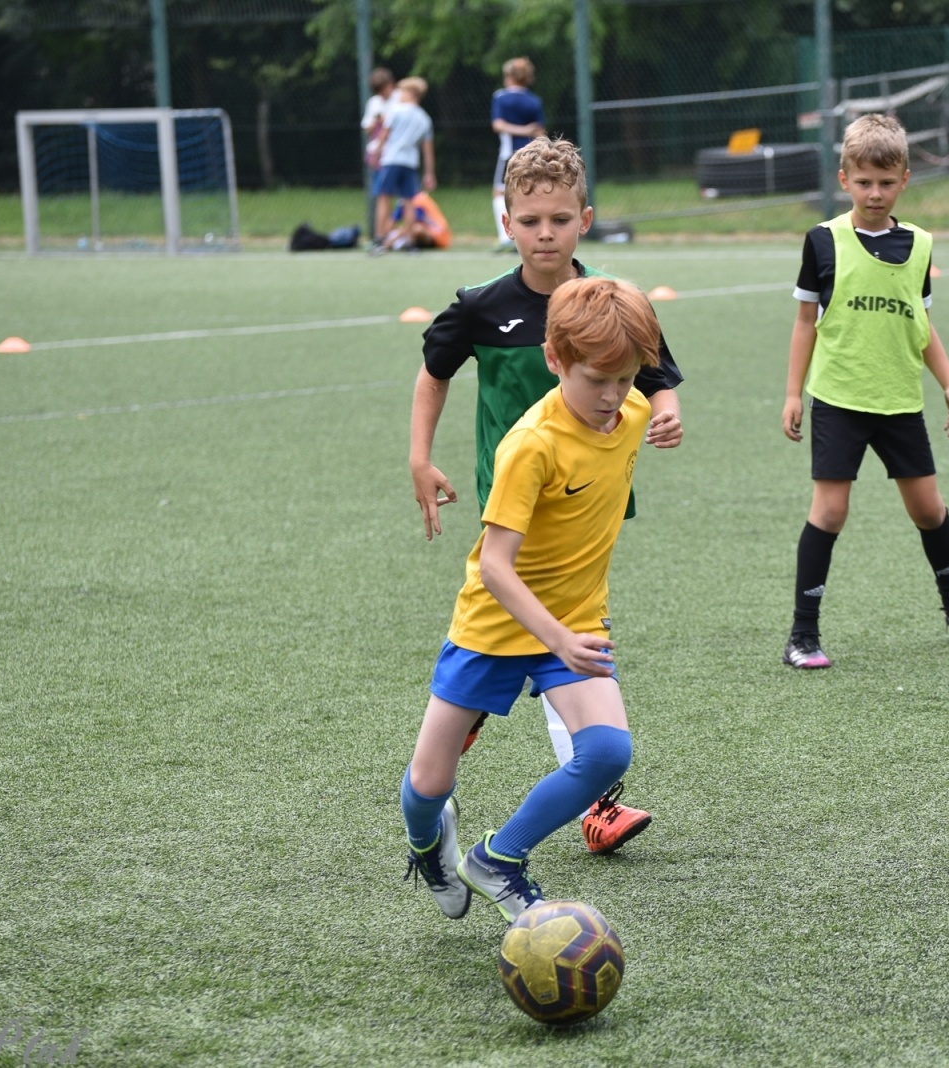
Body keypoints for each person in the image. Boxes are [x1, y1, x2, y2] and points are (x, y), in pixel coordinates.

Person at [410, 136, 683, 857]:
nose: (545, 234)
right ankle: (592, 798)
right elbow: (433, 373)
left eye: (560, 220)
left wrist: (668, 406)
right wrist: (419, 457)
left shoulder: (609, 306)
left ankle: (583, 785)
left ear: (584, 219)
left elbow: (654, 368)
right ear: (508, 221)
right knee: (553, 631)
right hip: (517, 506)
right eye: (530, 221)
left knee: (571, 631)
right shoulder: (482, 307)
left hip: (592, 491)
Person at [401, 275, 664, 921]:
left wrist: (665, 405)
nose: (611, 397)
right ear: (555, 361)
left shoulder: (632, 414)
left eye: (625, 379)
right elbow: (494, 566)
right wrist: (558, 640)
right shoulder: (531, 444)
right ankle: (426, 845)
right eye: (595, 381)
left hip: (572, 619)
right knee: (430, 783)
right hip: (496, 623)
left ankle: (500, 857)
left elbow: (639, 402)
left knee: (607, 752)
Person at [780, 113, 949, 670]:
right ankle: (802, 635)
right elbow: (805, 322)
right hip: (840, 400)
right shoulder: (822, 241)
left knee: (928, 510)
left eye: (886, 182)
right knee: (829, 512)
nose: (875, 193)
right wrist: (793, 393)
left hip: (899, 402)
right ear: (844, 178)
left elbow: (922, 325)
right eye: (864, 181)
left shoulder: (919, 245)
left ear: (904, 180)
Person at [490, 57, 545, 252]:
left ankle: (506, 238)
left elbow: (498, 125)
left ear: (510, 77)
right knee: (529, 192)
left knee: (499, 193)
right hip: (531, 154)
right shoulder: (534, 100)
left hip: (509, 154)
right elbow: (539, 131)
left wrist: (520, 131)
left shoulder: (501, 97)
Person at [372, 77, 436, 246]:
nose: (399, 94)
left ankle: (379, 237)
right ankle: (409, 239)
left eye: (402, 91)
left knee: (384, 197)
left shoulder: (396, 110)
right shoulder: (424, 118)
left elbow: (384, 134)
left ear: (411, 93)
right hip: (410, 163)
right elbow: (427, 150)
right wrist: (429, 173)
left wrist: (376, 152)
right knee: (408, 200)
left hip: (392, 159)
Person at [373, 190, 451, 254]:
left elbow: (413, 225)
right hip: (425, 233)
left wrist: (391, 241)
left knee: (416, 229)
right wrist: (385, 237)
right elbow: (392, 221)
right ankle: (393, 242)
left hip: (437, 235)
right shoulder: (405, 200)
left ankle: (405, 243)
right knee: (409, 230)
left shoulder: (418, 201)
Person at [359, 66, 396, 171]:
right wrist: (377, 122)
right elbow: (367, 130)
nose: (382, 94)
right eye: (378, 91)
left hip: (395, 152)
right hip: (378, 153)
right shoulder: (373, 102)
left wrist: (387, 121)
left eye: (383, 90)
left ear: (391, 84)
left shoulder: (400, 98)